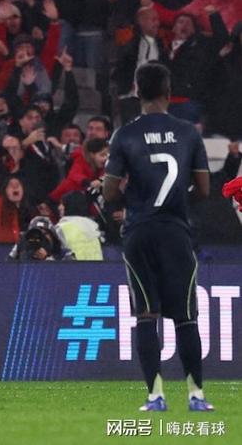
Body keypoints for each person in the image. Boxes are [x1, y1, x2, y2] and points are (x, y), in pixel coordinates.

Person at [103, 62, 213, 412]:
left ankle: (155, 396)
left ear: (137, 91)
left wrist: (135, 199)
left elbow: (109, 192)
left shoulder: (125, 134)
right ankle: (196, 396)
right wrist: (177, 201)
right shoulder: (188, 133)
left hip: (139, 232)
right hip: (176, 232)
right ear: (168, 91)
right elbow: (204, 189)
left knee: (146, 316)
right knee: (186, 317)